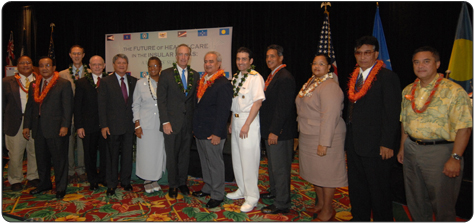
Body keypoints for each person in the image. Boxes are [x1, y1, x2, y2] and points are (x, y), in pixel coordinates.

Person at [397, 46, 472, 221]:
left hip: (439, 152)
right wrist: (402, 147)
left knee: (442, 204)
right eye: (416, 62)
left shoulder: (453, 91)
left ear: (437, 64)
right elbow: (404, 122)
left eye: (426, 61)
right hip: (411, 149)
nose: (420, 66)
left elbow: (465, 127)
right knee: (415, 200)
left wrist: (455, 157)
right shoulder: (408, 90)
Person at [345, 36, 401, 221]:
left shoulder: (387, 77)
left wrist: (387, 143)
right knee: (357, 186)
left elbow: (391, 113)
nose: (362, 57)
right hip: (354, 143)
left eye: (367, 53)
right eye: (359, 53)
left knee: (378, 190)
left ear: (376, 54)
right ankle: (359, 217)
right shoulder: (354, 76)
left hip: (377, 145)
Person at [295, 53, 347, 221]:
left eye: (321, 64)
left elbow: (330, 116)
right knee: (315, 173)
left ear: (329, 67)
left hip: (324, 136)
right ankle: (319, 204)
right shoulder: (312, 82)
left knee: (326, 175)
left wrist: (324, 143)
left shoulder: (330, 86)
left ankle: (327, 209)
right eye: (315, 64)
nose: (317, 67)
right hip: (308, 134)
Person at [23, 56, 73, 199]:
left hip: (57, 129)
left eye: (47, 65)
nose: (44, 68)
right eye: (41, 66)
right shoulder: (34, 85)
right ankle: (44, 184)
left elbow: (67, 108)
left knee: (59, 160)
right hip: (38, 129)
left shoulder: (63, 84)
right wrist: (27, 125)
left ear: (53, 67)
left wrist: (65, 126)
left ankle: (61, 187)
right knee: (41, 160)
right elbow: (30, 107)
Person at [157, 44, 200, 199]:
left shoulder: (195, 75)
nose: (183, 57)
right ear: (176, 56)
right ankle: (173, 184)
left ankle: (182, 183)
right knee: (172, 155)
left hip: (188, 124)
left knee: (184, 155)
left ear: (189, 56)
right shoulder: (166, 74)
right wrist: (165, 122)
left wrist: (195, 124)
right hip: (171, 124)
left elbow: (194, 102)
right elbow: (161, 101)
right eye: (180, 54)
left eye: (186, 54)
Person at [191, 51, 233, 208]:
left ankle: (217, 194)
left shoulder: (223, 83)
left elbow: (223, 111)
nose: (208, 64)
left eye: (211, 62)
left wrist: (216, 133)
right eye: (206, 61)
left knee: (215, 164)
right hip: (201, 131)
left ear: (219, 64)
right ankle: (208, 187)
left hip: (213, 133)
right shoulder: (203, 80)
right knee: (205, 162)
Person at [226, 47, 265, 213]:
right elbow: (234, 102)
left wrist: (247, 123)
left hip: (248, 121)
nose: (240, 62)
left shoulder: (255, 78)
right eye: (238, 58)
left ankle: (252, 197)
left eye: (244, 59)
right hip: (236, 120)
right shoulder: (236, 77)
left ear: (251, 61)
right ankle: (241, 189)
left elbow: (257, 103)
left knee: (249, 160)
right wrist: (231, 122)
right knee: (237, 158)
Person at [259, 44, 297, 214]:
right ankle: (275, 192)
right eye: (267, 56)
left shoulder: (285, 77)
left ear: (281, 58)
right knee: (273, 166)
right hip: (270, 131)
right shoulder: (274, 76)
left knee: (280, 168)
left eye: (273, 56)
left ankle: (282, 203)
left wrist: (274, 131)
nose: (269, 59)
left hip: (279, 133)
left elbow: (283, 108)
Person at [98, 54, 137, 196]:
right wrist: (103, 125)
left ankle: (126, 182)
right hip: (112, 127)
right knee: (112, 157)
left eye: (124, 63)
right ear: (114, 65)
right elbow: (101, 105)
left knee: (127, 155)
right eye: (119, 63)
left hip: (128, 126)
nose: (122, 65)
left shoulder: (134, 81)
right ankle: (112, 184)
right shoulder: (106, 81)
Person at [3, 56, 39, 191]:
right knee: (15, 152)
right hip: (15, 121)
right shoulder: (6, 82)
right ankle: (15, 179)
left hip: (35, 121)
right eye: (22, 63)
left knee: (34, 150)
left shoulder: (39, 80)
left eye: (28, 62)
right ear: (17, 66)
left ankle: (33, 176)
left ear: (32, 65)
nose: (25, 65)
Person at [74, 55, 108, 191]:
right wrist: (79, 126)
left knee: (106, 154)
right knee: (89, 154)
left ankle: (104, 177)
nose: (97, 67)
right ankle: (92, 180)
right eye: (94, 64)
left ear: (104, 65)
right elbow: (77, 107)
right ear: (89, 66)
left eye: (100, 64)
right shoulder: (81, 83)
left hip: (106, 125)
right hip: (88, 126)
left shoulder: (109, 81)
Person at [132, 57, 166, 193]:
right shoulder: (141, 83)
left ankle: (155, 179)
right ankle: (147, 180)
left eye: (156, 66)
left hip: (160, 125)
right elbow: (136, 105)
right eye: (150, 66)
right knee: (145, 153)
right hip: (145, 125)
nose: (153, 69)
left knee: (158, 153)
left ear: (160, 67)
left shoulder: (164, 82)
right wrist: (137, 124)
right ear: (147, 68)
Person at [59, 45, 90, 184]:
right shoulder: (61, 74)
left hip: (84, 115)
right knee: (68, 144)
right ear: (70, 55)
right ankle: (71, 171)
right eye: (74, 54)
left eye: (79, 54)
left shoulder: (91, 72)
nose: (77, 56)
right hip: (67, 115)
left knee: (83, 143)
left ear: (83, 55)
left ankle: (82, 170)